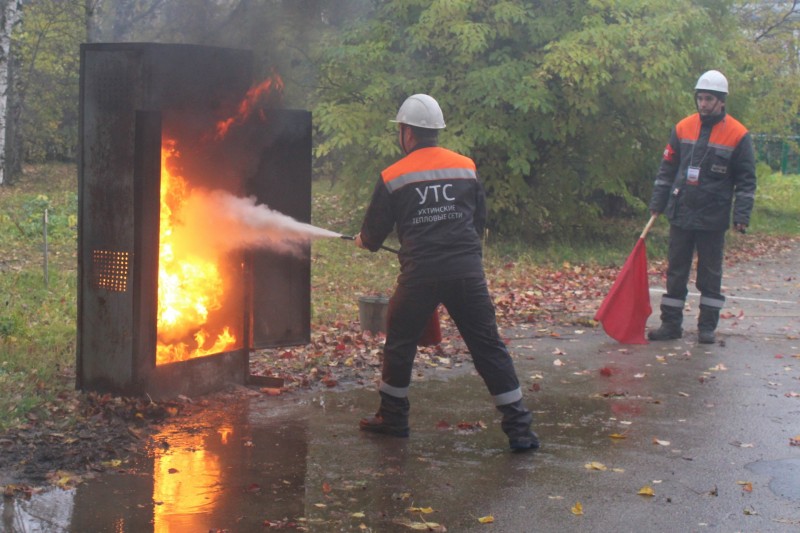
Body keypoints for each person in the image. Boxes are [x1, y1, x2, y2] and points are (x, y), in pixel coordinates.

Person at [353, 94, 539, 451]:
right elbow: (478, 218)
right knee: (488, 346)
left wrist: (365, 241)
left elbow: (374, 235)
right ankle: (520, 429)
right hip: (466, 273)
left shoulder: (393, 176)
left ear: (407, 133)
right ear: (435, 131)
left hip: (420, 275)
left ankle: (393, 419)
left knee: (400, 343)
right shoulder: (465, 167)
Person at [648, 70, 756, 345]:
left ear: (721, 101)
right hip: (681, 210)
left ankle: (707, 327)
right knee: (676, 271)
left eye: (709, 99)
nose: (703, 104)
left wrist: (741, 216)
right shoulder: (682, 127)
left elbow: (746, 181)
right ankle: (670, 325)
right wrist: (657, 203)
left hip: (713, 216)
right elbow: (667, 169)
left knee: (710, 274)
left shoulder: (739, 134)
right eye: (700, 98)